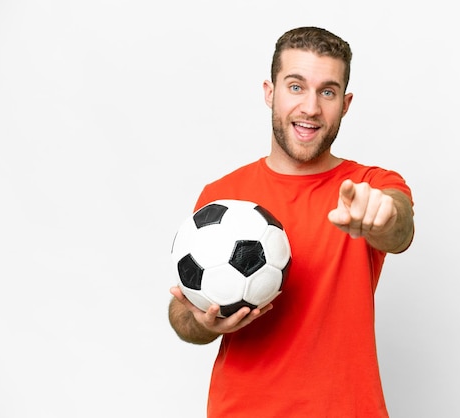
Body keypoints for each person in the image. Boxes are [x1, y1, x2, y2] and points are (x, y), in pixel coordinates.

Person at [168, 26, 414, 417]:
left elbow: (399, 227)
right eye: (296, 87)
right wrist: (204, 324)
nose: (311, 108)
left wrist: (381, 217)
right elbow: (182, 312)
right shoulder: (220, 200)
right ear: (270, 92)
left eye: (327, 92)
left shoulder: (371, 186)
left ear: (345, 104)